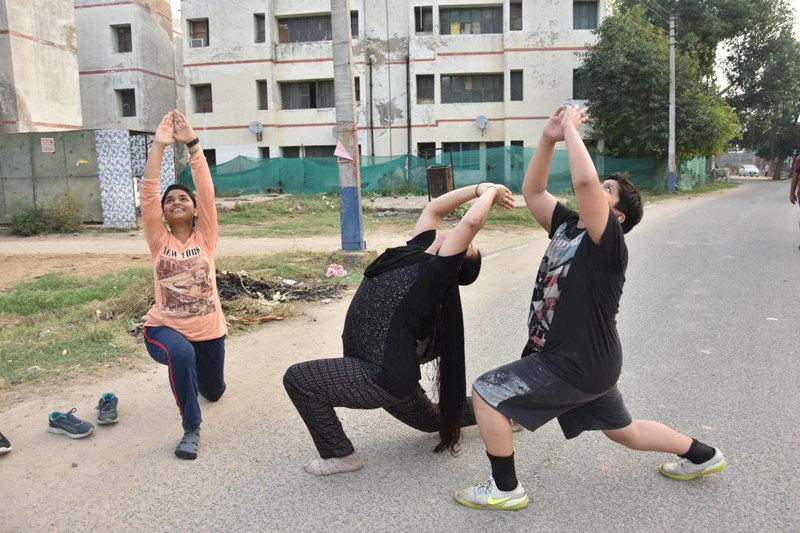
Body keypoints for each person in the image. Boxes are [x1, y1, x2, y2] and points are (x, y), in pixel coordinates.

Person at [454, 105, 727, 510]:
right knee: (624, 431)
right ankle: (703, 455)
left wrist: (571, 129)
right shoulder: (568, 225)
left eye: (606, 189)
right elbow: (533, 192)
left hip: (576, 363)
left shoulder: (609, 246)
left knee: (487, 392)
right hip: (590, 361)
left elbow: (583, 180)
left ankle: (505, 488)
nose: (596, 187)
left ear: (617, 216)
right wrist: (548, 138)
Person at [283, 181, 516, 475]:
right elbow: (434, 209)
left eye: (467, 246)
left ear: (454, 263)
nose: (458, 236)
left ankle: (341, 456)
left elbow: (470, 222)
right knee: (433, 420)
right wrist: (479, 187)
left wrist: (491, 193)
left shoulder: (432, 273)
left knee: (298, 380)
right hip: (386, 370)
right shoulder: (416, 250)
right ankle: (507, 410)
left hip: (380, 375)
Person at [141, 110, 227, 460]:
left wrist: (192, 143)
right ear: (163, 212)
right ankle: (192, 428)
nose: (175, 202)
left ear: (194, 210)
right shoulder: (158, 240)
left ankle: (198, 380)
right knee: (181, 353)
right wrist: (159, 146)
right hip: (164, 328)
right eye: (169, 200)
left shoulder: (205, 236)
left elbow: (206, 189)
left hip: (209, 332)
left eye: (183, 199)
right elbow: (148, 194)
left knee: (215, 391)